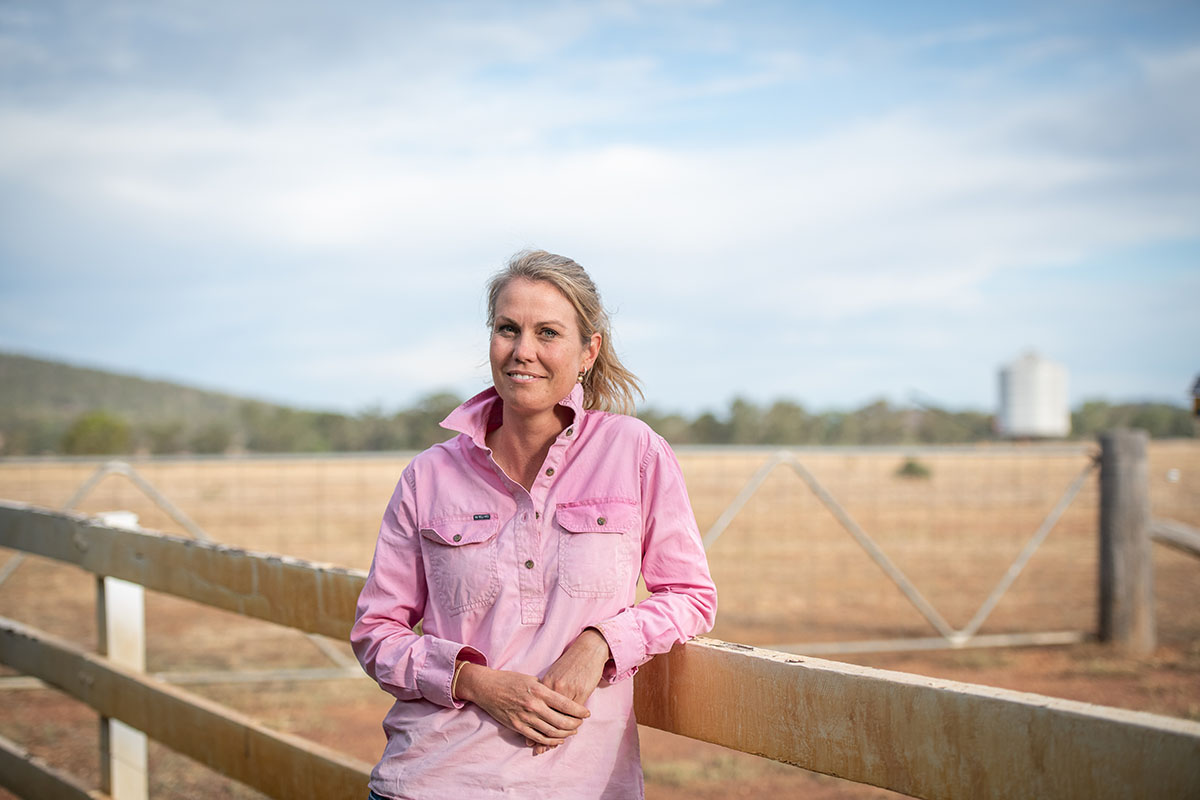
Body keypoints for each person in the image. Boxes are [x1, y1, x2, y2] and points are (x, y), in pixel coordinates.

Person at [351, 250, 717, 800]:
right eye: (507, 329)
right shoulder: (428, 476)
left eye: (548, 332)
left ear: (588, 351)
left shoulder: (635, 453)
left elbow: (690, 595)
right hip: (430, 781)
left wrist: (600, 643)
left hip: (581, 785)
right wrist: (474, 681)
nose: (523, 351)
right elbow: (376, 633)